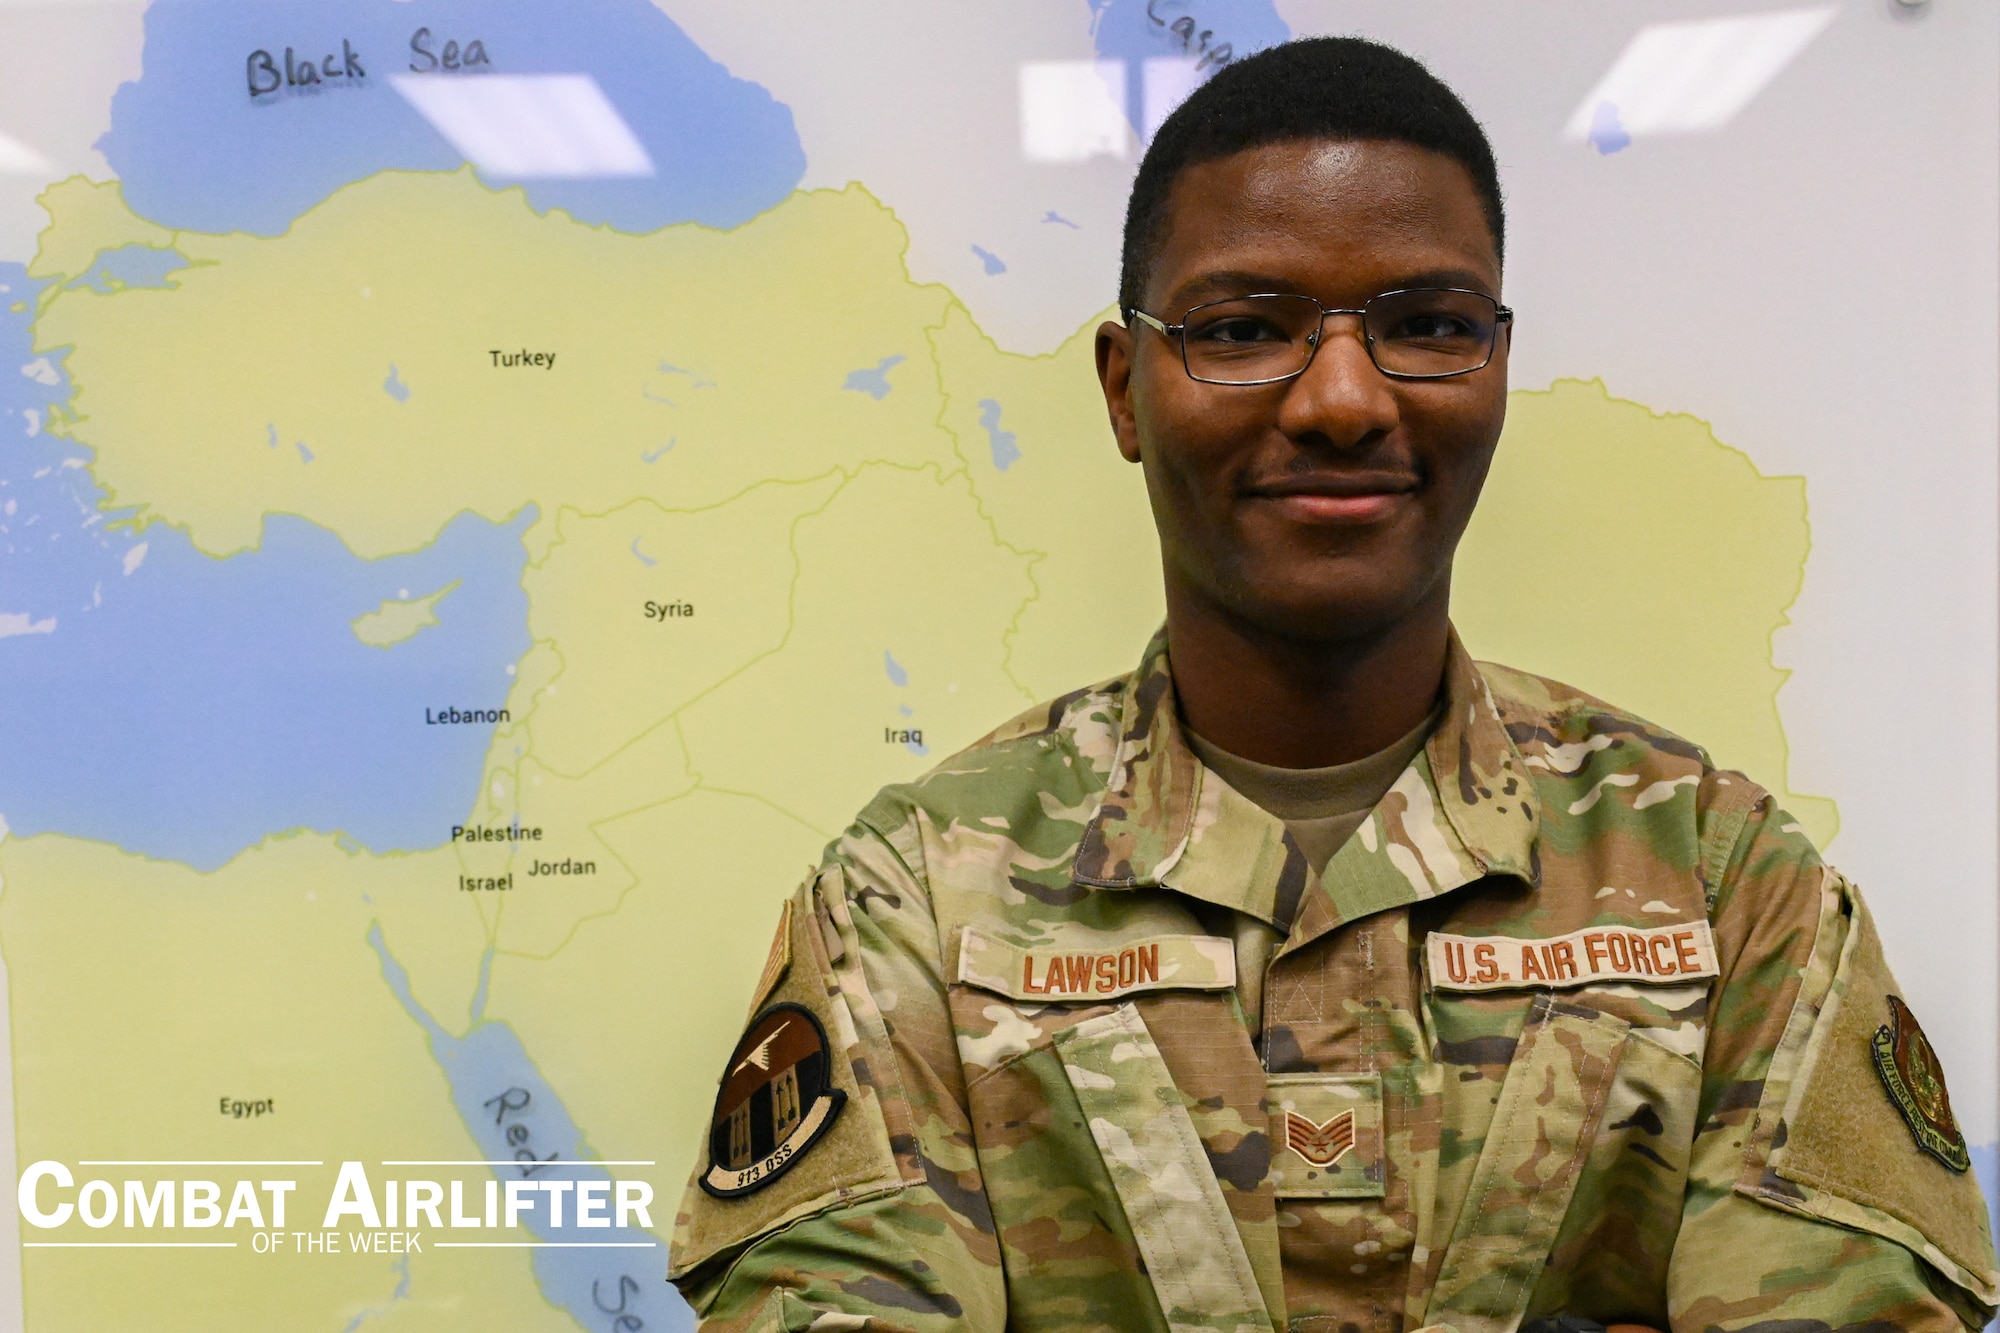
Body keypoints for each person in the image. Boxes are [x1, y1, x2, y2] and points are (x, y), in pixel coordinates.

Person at [667, 36, 1997, 1333]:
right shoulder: (913, 901)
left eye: (1427, 324)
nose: (1346, 398)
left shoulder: (1723, 880)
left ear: (1498, 366)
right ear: (1127, 392)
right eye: (1247, 328)